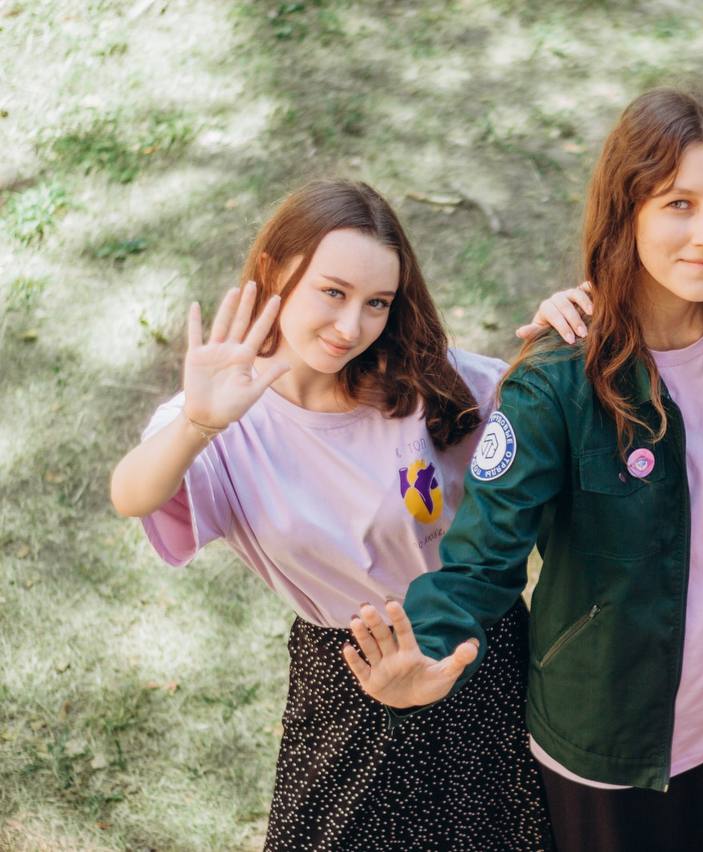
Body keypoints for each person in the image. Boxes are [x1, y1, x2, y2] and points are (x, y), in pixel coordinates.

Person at [342, 88, 703, 852]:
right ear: (626, 209)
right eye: (678, 204)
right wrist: (425, 652)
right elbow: (480, 561)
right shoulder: (556, 380)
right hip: (612, 751)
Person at [109, 180, 553, 851]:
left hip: (474, 654)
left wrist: (560, 330)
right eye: (333, 292)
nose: (351, 327)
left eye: (377, 303)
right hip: (348, 677)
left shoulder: (434, 383)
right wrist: (198, 423)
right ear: (274, 272)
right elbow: (131, 495)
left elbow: (545, 408)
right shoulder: (222, 416)